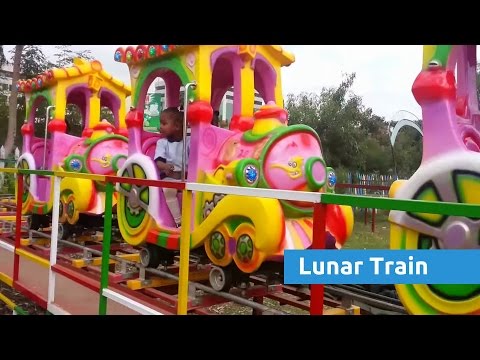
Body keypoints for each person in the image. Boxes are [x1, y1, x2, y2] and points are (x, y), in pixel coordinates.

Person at [154, 107, 190, 228]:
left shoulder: (188, 141)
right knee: (169, 191)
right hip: (170, 177)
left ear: (177, 127)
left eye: (164, 123)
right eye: (161, 123)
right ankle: (179, 221)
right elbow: (158, 161)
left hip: (185, 177)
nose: (161, 127)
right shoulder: (162, 143)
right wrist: (165, 166)